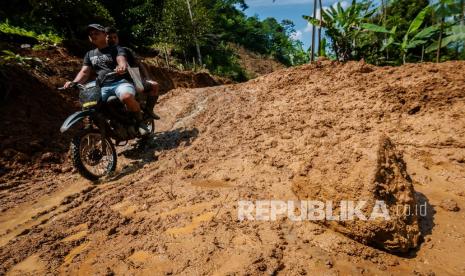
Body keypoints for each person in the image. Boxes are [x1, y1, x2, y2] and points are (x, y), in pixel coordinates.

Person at [64, 24, 149, 135]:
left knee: (126, 96)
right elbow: (84, 72)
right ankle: (111, 126)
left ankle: (140, 122)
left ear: (105, 34)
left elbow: (121, 59)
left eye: (96, 33)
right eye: (91, 34)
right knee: (91, 105)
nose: (93, 36)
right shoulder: (89, 54)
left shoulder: (116, 49)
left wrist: (122, 66)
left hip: (120, 83)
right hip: (102, 86)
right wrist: (74, 82)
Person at [105, 26, 160, 120]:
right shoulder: (98, 54)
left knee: (154, 85)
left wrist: (147, 78)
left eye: (115, 37)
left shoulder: (125, 50)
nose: (113, 40)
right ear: (104, 38)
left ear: (118, 38)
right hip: (111, 84)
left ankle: (148, 111)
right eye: (109, 37)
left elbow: (139, 64)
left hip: (132, 79)